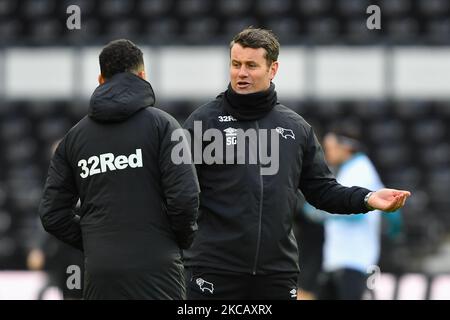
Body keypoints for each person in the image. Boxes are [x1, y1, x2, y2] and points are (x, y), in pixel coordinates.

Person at [182, 27, 410, 300]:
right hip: (212, 271)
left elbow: (323, 191)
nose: (241, 73)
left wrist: (369, 197)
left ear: (272, 69)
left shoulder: (296, 129)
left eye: (251, 65)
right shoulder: (203, 123)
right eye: (235, 64)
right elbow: (179, 194)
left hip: (276, 274)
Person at [39, 39, 200, 300]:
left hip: (101, 273)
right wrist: (178, 241)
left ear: (100, 79)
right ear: (143, 75)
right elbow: (185, 198)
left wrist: (96, 241)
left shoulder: (73, 139)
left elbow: (52, 213)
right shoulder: (166, 127)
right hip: (158, 268)